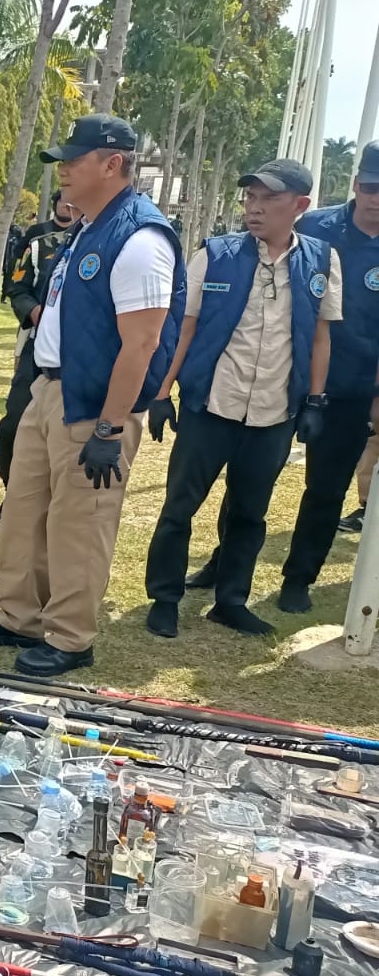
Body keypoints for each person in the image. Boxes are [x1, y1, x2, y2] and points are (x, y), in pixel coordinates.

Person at [0, 114, 184, 676]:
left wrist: (110, 427)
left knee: (79, 525)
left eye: (74, 160)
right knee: (24, 512)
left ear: (113, 164)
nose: (62, 170)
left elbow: (142, 343)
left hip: (95, 404)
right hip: (50, 388)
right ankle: (20, 616)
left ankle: (70, 635)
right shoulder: (91, 225)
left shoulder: (139, 238)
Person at [142, 158, 335, 639]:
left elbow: (320, 337)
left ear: (300, 205)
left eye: (269, 198)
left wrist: (314, 400)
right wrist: (163, 392)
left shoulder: (321, 260)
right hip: (211, 405)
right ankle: (165, 598)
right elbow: (184, 329)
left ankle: (230, 601)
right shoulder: (215, 254)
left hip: (274, 413)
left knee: (250, 513)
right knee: (180, 507)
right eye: (250, 197)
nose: (255, 208)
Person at [259, 139, 379, 612]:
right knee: (254, 476)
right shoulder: (314, 226)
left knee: (326, 491)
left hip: (352, 389)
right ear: (356, 184)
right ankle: (225, 562)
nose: (376, 199)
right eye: (370, 187)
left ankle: (298, 580)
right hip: (287, 376)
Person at [0, 189, 78, 531]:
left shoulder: (110, 243)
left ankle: (50, 510)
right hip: (37, 348)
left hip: (82, 356)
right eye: (64, 200)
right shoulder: (41, 242)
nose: (69, 205)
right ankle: (13, 497)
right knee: (12, 428)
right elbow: (17, 287)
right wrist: (33, 310)